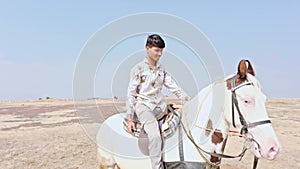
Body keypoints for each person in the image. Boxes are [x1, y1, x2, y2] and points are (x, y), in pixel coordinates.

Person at [126, 34, 190, 169]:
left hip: (160, 106)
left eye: (161, 51)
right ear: (147, 48)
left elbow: (173, 86)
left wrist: (188, 99)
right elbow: (131, 94)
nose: (159, 54)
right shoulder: (137, 69)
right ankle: (157, 166)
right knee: (154, 135)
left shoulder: (162, 69)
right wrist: (130, 117)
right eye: (156, 50)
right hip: (143, 106)